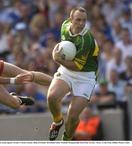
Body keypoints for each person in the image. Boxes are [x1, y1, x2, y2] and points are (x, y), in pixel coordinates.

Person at [47, 7, 100, 140]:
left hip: (85, 76)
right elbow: (65, 47)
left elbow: (77, 66)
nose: (81, 23)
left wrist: (58, 59)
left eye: (84, 20)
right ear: (71, 20)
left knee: (73, 114)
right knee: (52, 97)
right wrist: (59, 53)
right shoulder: (65, 26)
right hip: (67, 70)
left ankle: (67, 139)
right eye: (78, 20)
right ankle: (58, 121)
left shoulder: (86, 39)